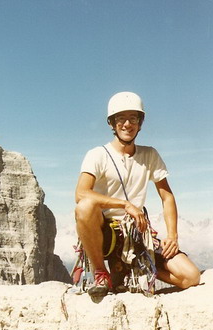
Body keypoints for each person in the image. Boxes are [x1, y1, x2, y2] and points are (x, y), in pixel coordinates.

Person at [75, 91, 200, 297]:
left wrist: (173, 236)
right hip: (103, 233)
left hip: (135, 234)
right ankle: (101, 273)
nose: (127, 124)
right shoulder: (97, 155)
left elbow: (167, 196)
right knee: (85, 207)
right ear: (112, 123)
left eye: (133, 118)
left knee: (190, 277)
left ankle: (139, 269)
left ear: (140, 123)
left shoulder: (149, 155)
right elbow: (81, 194)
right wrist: (125, 204)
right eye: (121, 119)